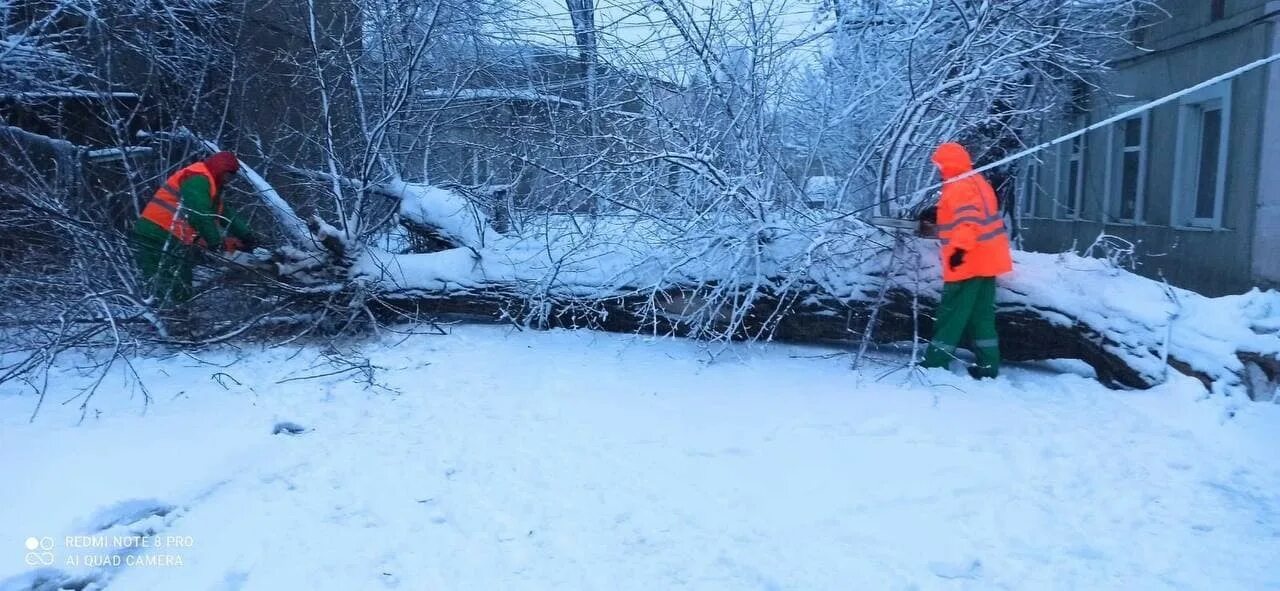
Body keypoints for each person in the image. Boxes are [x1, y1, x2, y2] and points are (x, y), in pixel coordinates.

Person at [919, 142, 1014, 379]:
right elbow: (971, 214)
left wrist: (959, 251)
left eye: (940, 164)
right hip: (988, 261)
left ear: (949, 164)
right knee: (982, 316)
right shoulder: (977, 182)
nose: (939, 169)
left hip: (968, 261)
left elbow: (968, 221)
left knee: (951, 314)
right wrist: (938, 212)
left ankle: (935, 363)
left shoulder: (959, 185)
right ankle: (988, 366)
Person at [133, 151, 258, 305]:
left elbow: (224, 212)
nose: (229, 181)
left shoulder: (211, 186)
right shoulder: (198, 179)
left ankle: (171, 318)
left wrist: (246, 235)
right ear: (220, 170)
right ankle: (172, 320)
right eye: (228, 175)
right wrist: (216, 243)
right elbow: (200, 214)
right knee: (171, 282)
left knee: (173, 281)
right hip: (158, 232)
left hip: (167, 234)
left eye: (232, 177)